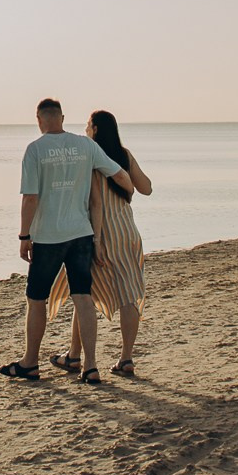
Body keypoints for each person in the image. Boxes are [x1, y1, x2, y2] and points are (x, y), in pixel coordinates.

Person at [0, 98, 133, 386]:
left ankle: (30, 362)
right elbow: (118, 174)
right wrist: (129, 192)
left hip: (48, 237)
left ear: (39, 119)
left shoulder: (35, 149)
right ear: (61, 117)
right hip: (81, 234)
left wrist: (24, 236)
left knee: (36, 300)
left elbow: (30, 198)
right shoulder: (85, 146)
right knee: (83, 298)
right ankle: (90, 366)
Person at [46, 109, 151, 377]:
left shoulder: (90, 158)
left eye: (87, 125)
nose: (84, 129)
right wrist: (127, 184)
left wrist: (98, 239)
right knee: (129, 294)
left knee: (84, 295)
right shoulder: (124, 155)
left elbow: (95, 204)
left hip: (102, 233)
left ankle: (74, 356)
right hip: (128, 231)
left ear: (94, 129)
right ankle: (126, 358)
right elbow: (146, 188)